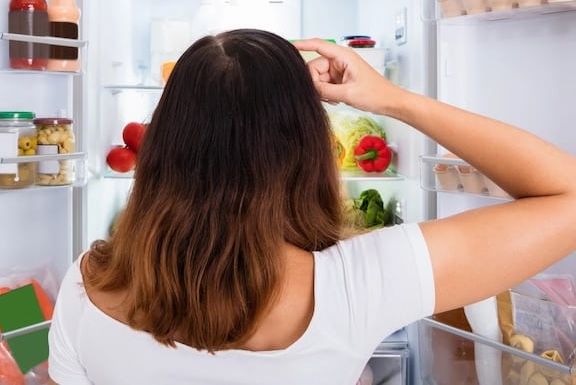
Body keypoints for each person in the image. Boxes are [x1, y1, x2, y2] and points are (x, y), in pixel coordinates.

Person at [48, 29, 576, 385]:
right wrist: (392, 98)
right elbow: (567, 195)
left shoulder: (83, 287)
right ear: (306, 149)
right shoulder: (361, 282)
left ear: (164, 142)